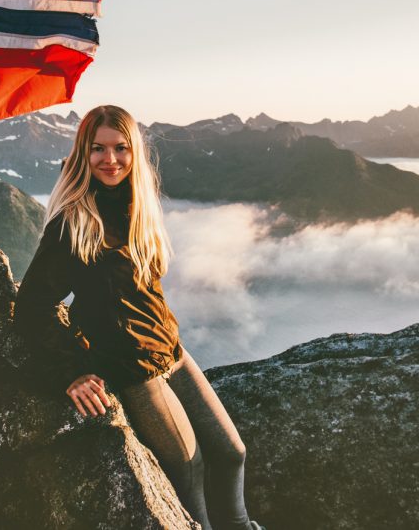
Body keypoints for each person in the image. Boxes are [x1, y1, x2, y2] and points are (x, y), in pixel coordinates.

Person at [14, 104, 262, 530]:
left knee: (231, 452)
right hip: (132, 369)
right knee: (190, 470)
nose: (110, 159)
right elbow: (32, 306)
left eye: (120, 148)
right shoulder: (73, 224)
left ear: (135, 154)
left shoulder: (138, 208)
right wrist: (70, 371)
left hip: (171, 350)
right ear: (82, 156)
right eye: (98, 149)